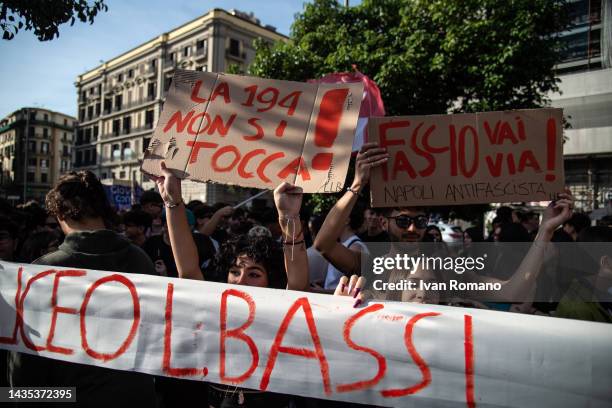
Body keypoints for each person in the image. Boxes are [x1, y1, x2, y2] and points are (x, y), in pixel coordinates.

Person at [314, 143, 575, 306]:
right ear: (384, 222)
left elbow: (512, 291)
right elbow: (324, 245)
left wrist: (545, 229)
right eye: (403, 221)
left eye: (420, 221)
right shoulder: (370, 264)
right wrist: (357, 185)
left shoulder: (443, 273)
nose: (413, 229)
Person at [152, 161, 308, 407]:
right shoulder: (217, 310)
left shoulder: (281, 313)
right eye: (235, 271)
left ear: (272, 281)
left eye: (254, 274)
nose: (241, 280)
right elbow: (189, 271)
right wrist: (172, 200)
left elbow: (297, 282)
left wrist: (289, 218)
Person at [8, 171, 157, 407]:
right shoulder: (142, 260)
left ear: (59, 214)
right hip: (137, 396)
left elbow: (25, 368)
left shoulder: (44, 273)